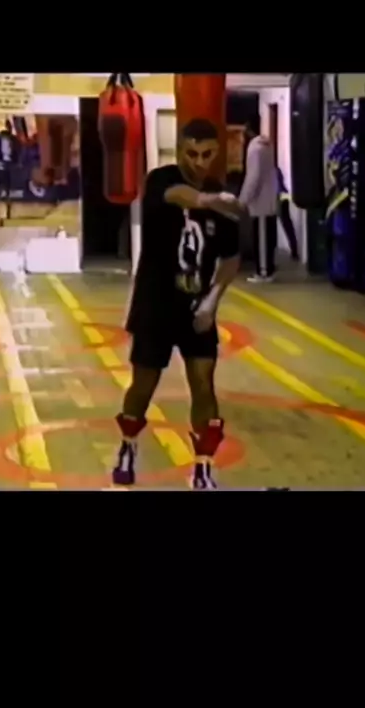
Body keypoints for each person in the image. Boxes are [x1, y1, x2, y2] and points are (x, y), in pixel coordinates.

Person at [113, 118, 241, 490]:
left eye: (206, 154)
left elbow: (231, 258)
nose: (199, 162)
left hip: (196, 306)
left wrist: (212, 300)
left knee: (203, 383)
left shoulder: (221, 196)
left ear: (216, 152)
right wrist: (208, 201)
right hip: (155, 304)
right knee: (143, 384)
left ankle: (203, 468)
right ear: (181, 150)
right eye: (192, 153)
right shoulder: (161, 179)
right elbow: (177, 196)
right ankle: (128, 445)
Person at [239, 122, 278, 282]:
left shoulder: (255, 149)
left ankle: (263, 272)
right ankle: (268, 268)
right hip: (270, 199)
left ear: (249, 131)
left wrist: (243, 199)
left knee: (261, 238)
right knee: (268, 237)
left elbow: (253, 176)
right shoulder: (267, 146)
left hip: (260, 202)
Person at [277, 167, 299, 260]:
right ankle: (294, 249)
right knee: (287, 224)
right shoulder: (275, 169)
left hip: (278, 197)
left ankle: (294, 249)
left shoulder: (269, 170)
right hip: (283, 196)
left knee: (285, 224)